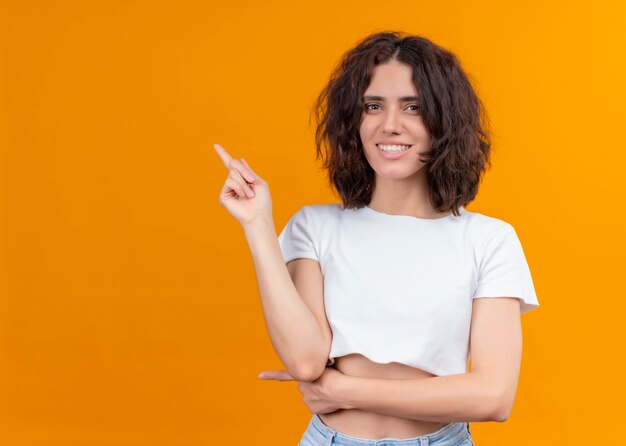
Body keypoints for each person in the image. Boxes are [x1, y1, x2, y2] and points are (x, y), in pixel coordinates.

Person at [214, 31, 539, 446]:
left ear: (445, 122)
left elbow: (494, 397)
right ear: (354, 120)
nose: (390, 125)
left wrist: (344, 390)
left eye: (413, 107)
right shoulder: (314, 227)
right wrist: (257, 225)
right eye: (373, 106)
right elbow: (304, 359)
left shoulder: (489, 240)